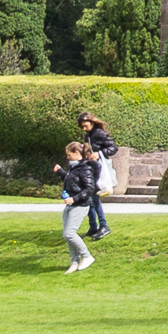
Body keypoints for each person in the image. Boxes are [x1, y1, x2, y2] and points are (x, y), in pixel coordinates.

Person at [52, 142, 96, 274]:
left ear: (77, 153)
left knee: (69, 233)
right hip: (70, 205)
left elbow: (90, 189)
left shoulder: (85, 169)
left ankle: (87, 256)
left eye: (69, 155)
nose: (68, 158)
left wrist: (74, 198)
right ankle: (74, 262)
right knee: (67, 235)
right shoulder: (74, 168)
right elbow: (71, 180)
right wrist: (60, 172)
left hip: (80, 205)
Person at [76, 112, 118, 240]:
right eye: (82, 127)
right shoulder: (88, 135)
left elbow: (113, 148)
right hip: (91, 167)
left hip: (98, 169)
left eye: (85, 126)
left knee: (93, 198)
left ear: (92, 123)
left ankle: (103, 226)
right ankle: (93, 226)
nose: (84, 129)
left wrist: (99, 153)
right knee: (89, 197)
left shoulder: (100, 133)